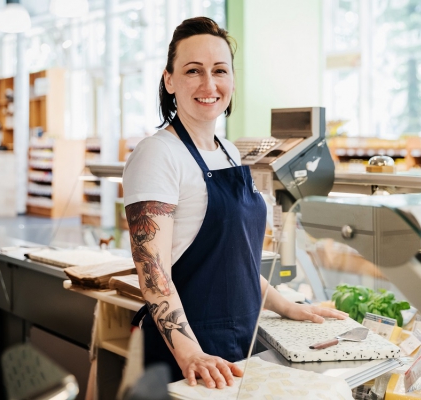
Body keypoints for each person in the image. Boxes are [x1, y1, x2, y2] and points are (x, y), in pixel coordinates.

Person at [122, 17, 347, 390]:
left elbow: (235, 260)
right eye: (193, 71)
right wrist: (190, 352)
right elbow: (152, 272)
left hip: (240, 341)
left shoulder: (229, 152)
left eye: (220, 70)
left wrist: (285, 305)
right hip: (188, 354)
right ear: (169, 80)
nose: (209, 84)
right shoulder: (158, 154)